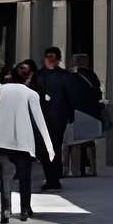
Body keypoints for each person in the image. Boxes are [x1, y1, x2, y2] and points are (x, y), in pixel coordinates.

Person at [0, 62, 54, 222]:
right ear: (29, 78)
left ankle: (5, 210)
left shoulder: (0, 89)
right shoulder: (31, 94)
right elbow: (39, 121)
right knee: (24, 176)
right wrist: (49, 146)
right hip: (23, 141)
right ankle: (24, 210)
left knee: (5, 176)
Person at [32, 47, 83, 192]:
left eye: (53, 57)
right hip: (42, 118)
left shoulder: (65, 76)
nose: (50, 59)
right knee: (42, 149)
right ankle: (51, 177)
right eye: (48, 56)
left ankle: (53, 179)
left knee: (54, 147)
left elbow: (71, 97)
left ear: (58, 59)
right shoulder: (38, 75)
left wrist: (70, 115)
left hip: (58, 118)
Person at [68, 52, 107, 178]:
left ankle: (76, 170)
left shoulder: (72, 76)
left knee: (76, 142)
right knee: (90, 142)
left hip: (77, 111)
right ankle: (92, 168)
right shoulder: (92, 76)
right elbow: (98, 93)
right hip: (92, 112)